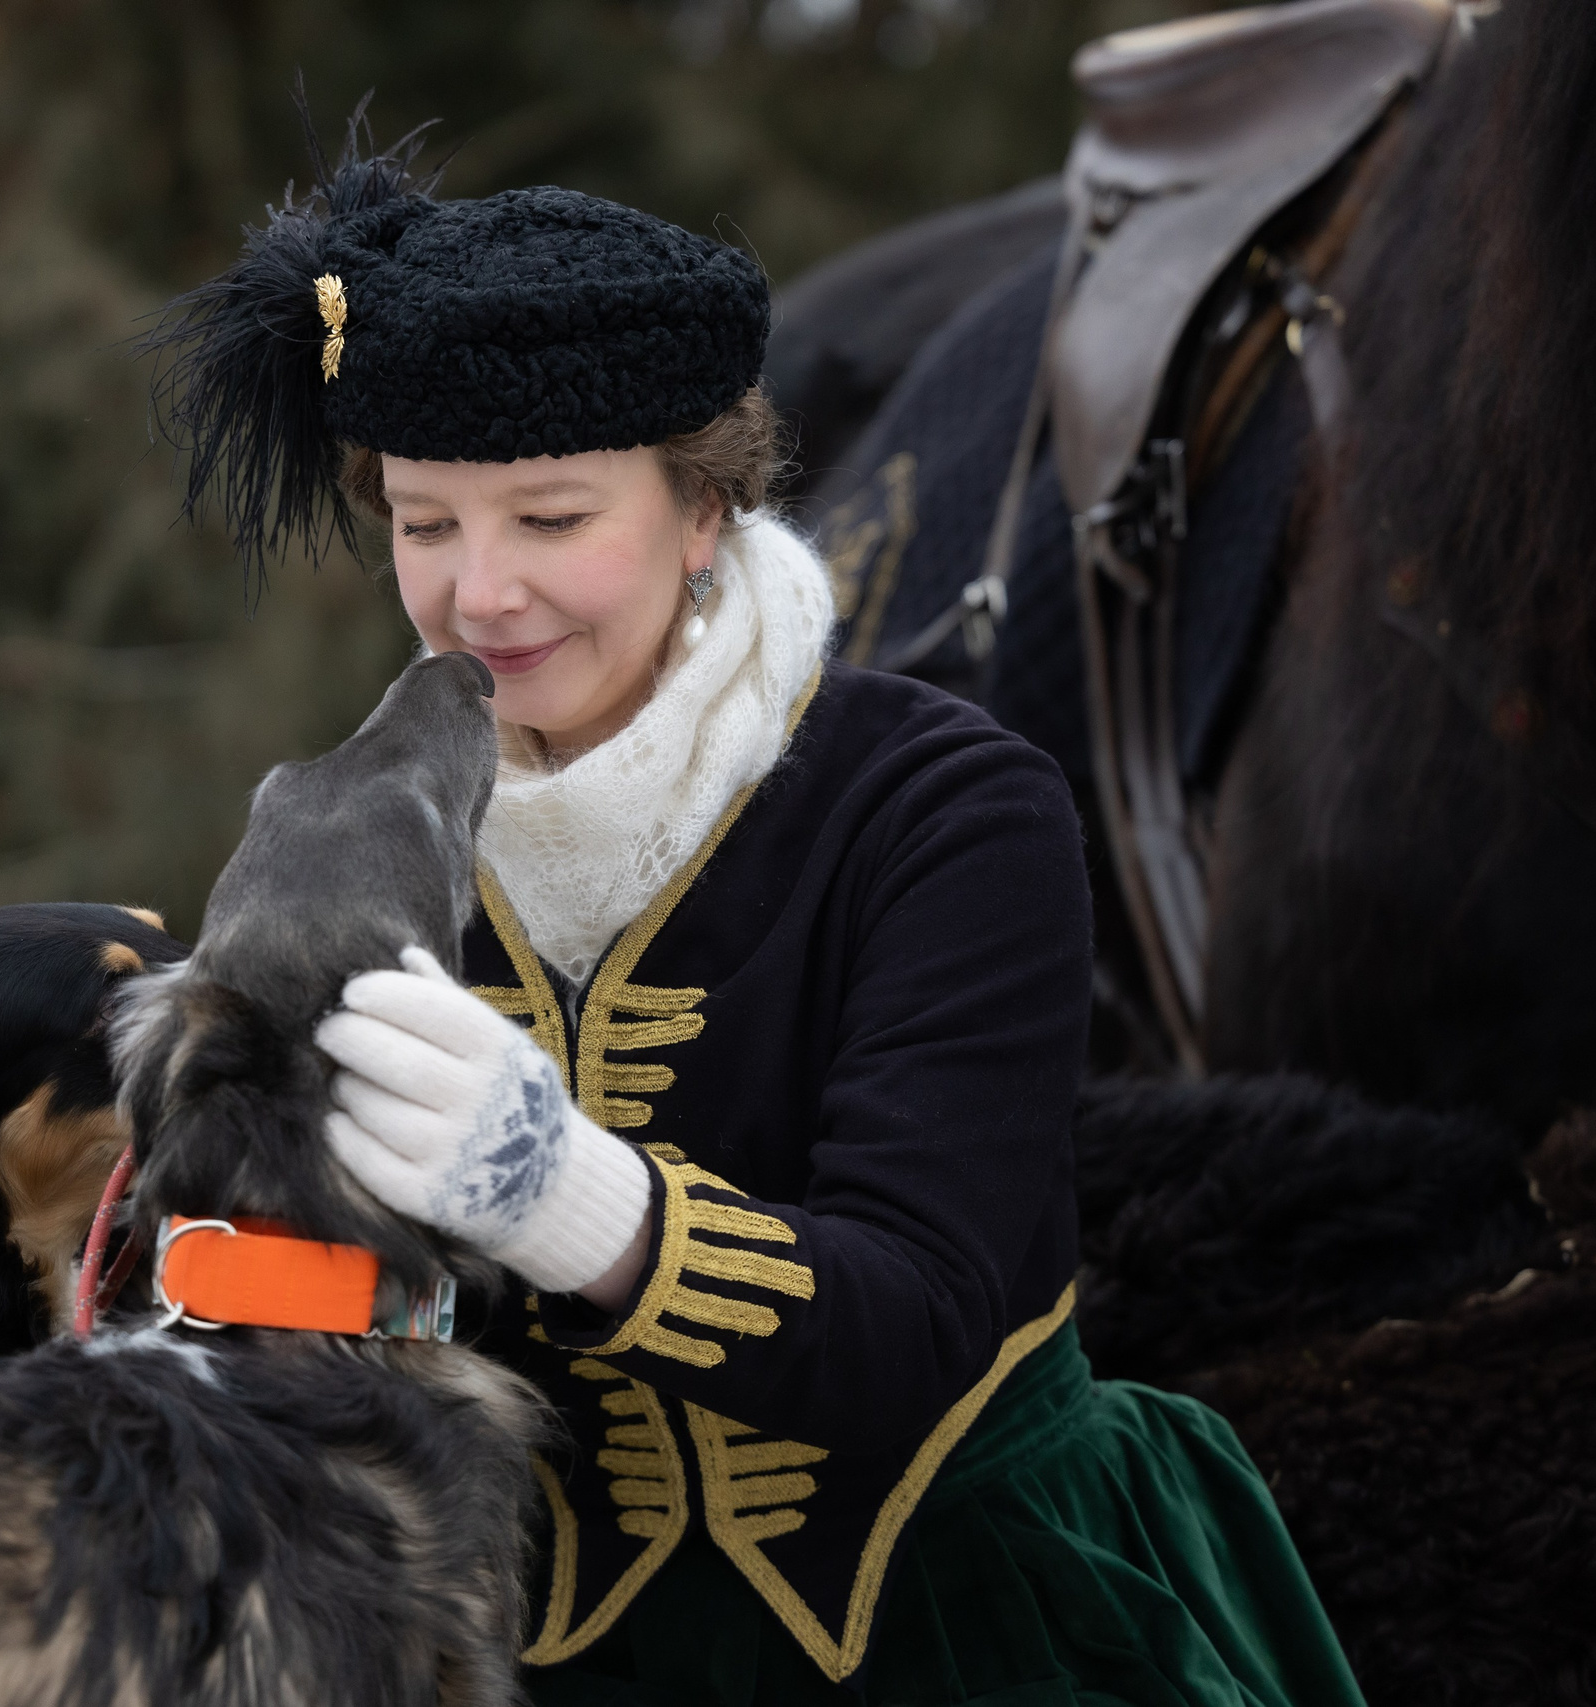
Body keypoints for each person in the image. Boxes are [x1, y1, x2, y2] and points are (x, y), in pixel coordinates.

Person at [151, 122, 1365, 1707]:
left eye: (551, 518)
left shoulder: (951, 809)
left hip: (980, 1628)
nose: (480, 596)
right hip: (533, 1662)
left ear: (703, 510)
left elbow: (920, 1323)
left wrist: (566, 1195)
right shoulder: (340, 846)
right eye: (425, 523)